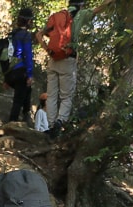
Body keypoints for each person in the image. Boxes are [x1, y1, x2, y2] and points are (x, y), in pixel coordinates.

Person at [37, 0, 92, 134]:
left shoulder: (57, 17)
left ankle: (50, 127)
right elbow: (98, 9)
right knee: (66, 96)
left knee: (51, 96)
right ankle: (60, 121)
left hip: (53, 59)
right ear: (81, 5)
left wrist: (48, 51)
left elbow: (38, 35)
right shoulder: (80, 15)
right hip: (68, 59)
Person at [5, 8, 37, 124]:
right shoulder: (25, 36)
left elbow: (7, 54)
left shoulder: (12, 34)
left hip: (10, 71)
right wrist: (29, 74)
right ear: (28, 22)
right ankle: (12, 125)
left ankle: (26, 116)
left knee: (27, 90)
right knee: (18, 101)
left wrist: (5, 77)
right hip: (20, 70)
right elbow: (27, 56)